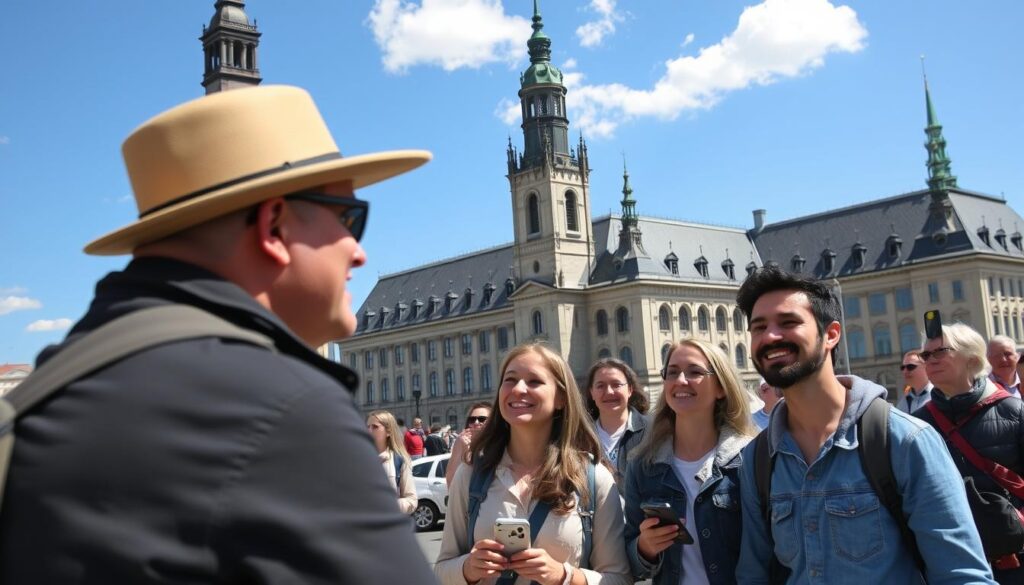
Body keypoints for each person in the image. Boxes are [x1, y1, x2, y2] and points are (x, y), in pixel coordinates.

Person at [0, 86, 437, 584]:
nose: (356, 252)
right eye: (348, 218)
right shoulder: (281, 407)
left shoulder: (58, 384)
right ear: (272, 225)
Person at [734, 265, 994, 584]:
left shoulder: (904, 440)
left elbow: (962, 576)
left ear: (831, 335)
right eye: (759, 328)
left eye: (788, 323)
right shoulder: (758, 459)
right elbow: (753, 576)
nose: (771, 336)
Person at [435, 343, 631, 585]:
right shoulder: (472, 474)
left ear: (561, 397)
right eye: (510, 380)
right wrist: (468, 568)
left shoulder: (593, 478)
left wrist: (565, 576)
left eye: (534, 381)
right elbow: (442, 570)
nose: (518, 389)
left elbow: (619, 578)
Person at [624, 340, 757, 585]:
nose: (680, 380)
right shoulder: (642, 465)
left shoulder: (750, 457)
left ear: (721, 387)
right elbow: (629, 563)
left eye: (695, 372)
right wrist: (644, 547)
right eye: (672, 372)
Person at [915, 323, 1024, 581]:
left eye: (940, 351)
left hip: (1015, 559)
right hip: (950, 562)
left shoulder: (1015, 411)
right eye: (926, 355)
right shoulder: (916, 423)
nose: (930, 360)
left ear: (972, 359)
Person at [584, 357, 650, 488]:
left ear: (630, 389)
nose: (609, 391)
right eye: (600, 386)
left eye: (616, 384)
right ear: (592, 392)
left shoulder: (653, 431)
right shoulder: (579, 438)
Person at [367, 410, 417, 515]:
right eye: (368, 427)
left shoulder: (399, 460)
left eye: (375, 427)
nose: (369, 431)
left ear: (388, 431)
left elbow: (411, 500)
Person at [446, 401, 493, 487]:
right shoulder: (461, 441)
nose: (476, 422)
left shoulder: (498, 443)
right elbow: (450, 480)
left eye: (482, 419)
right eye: (472, 419)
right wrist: (464, 449)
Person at [897, 349, 934, 414]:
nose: (905, 371)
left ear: (926, 367)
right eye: (902, 367)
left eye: (910, 367)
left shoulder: (938, 395)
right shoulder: (905, 398)